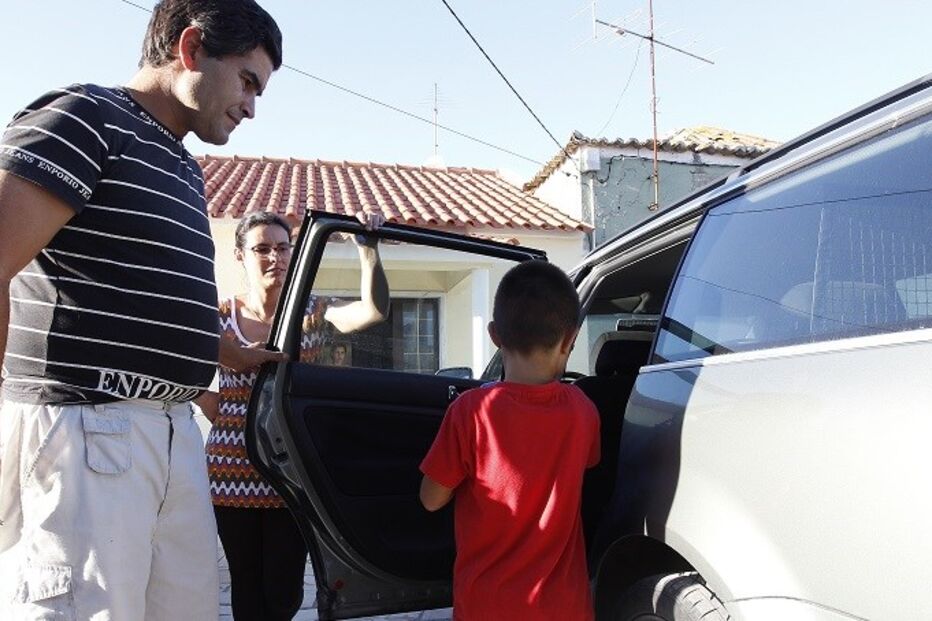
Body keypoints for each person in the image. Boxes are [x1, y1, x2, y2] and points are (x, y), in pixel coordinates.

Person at [0, 1, 283, 618]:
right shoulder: (84, 117)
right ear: (191, 48)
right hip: (84, 429)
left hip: (173, 435)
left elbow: (140, 297)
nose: (251, 106)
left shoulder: (183, 166)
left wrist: (225, 351)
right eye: (247, 81)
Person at [196, 211, 388, 620]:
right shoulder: (218, 315)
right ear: (240, 255)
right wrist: (204, 398)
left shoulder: (312, 311)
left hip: (291, 469)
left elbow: (372, 311)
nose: (275, 258)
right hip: (230, 472)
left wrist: (368, 251)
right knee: (246, 583)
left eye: (283, 248)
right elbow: (175, 350)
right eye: (262, 249)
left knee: (284, 589)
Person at [419, 260, 600, 621]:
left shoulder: (471, 411)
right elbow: (586, 464)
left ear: (494, 335)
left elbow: (431, 499)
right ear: (570, 339)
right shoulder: (584, 410)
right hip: (565, 607)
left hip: (487, 605)